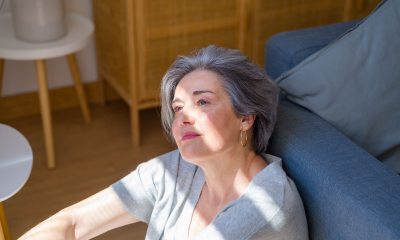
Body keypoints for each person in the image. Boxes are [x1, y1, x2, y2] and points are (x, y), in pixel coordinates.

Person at [19, 45, 308, 240]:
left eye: (202, 101)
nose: (183, 117)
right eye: (178, 108)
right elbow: (72, 222)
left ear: (245, 117)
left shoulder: (265, 207)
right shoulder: (176, 171)